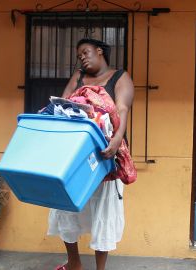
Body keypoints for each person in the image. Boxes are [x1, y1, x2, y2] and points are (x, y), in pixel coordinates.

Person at [47, 38, 134, 270]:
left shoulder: (120, 77)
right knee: (65, 205)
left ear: (99, 51)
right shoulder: (78, 77)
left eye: (85, 52)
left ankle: (100, 268)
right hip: (75, 153)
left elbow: (122, 108)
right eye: (79, 55)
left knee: (103, 209)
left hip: (105, 153)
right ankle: (74, 263)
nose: (82, 57)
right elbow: (62, 105)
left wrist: (116, 140)